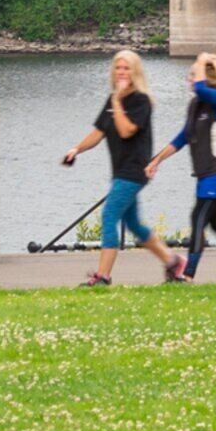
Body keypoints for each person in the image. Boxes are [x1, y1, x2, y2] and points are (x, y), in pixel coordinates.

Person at [58, 49, 180, 287]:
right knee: (133, 223)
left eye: (127, 68)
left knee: (109, 215)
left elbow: (126, 131)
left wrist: (117, 101)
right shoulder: (113, 99)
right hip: (120, 171)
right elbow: (99, 132)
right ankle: (173, 262)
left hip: (134, 171)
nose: (122, 72)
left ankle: (103, 277)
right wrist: (76, 149)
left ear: (136, 73)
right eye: (118, 68)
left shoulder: (141, 101)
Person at [149, 51, 216, 282]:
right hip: (205, 175)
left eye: (192, 75)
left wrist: (200, 61)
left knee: (197, 218)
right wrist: (156, 160)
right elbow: (182, 138)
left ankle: (188, 276)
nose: (189, 80)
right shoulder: (195, 105)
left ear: (205, 75)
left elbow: (200, 87)